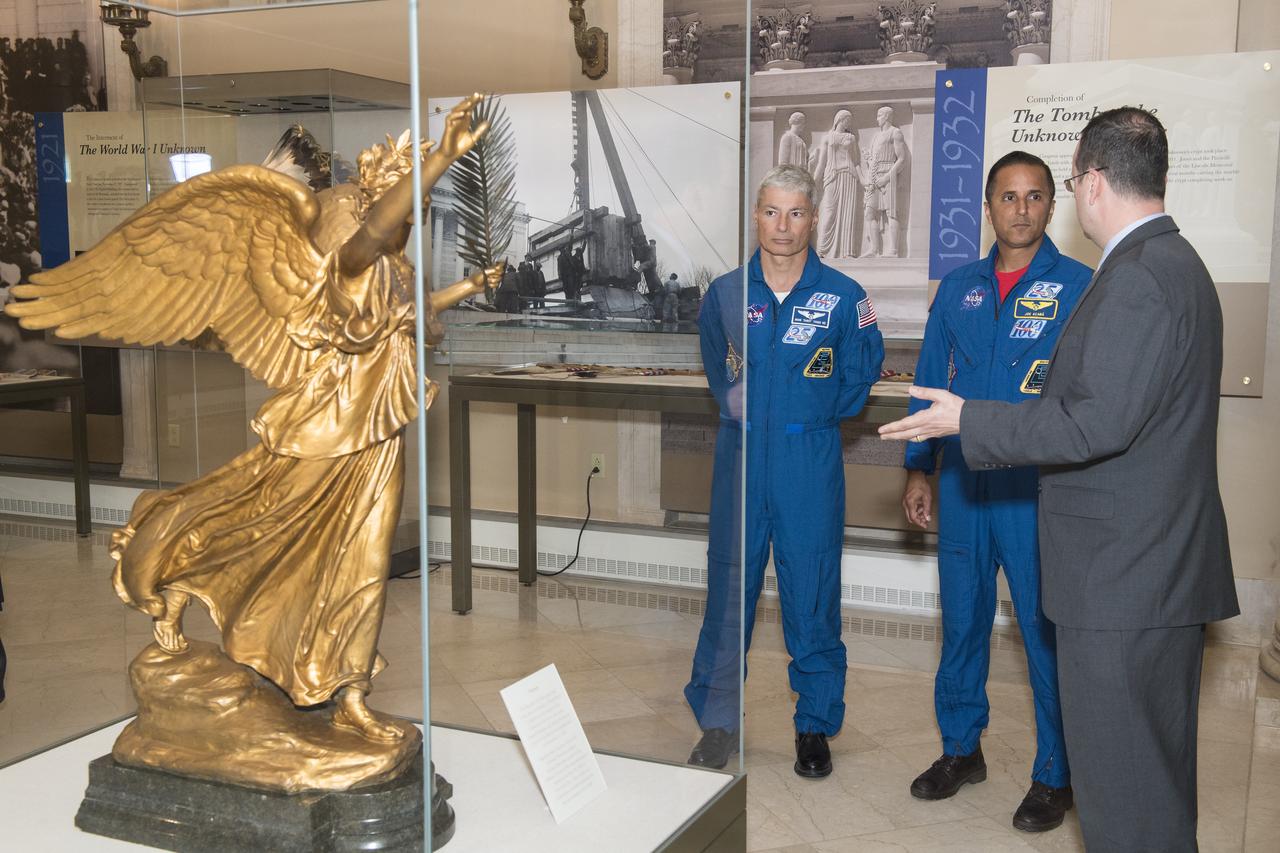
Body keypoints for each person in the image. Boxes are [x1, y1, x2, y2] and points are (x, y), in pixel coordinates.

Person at [10, 96, 501, 745]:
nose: (413, 217)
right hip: (328, 430)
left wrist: (469, 287)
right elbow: (371, 238)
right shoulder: (350, 256)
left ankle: (349, 692)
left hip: (378, 433)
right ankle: (175, 567)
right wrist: (441, 155)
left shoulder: (394, 269)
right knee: (259, 521)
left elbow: (409, 315)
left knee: (365, 556)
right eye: (408, 204)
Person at [879, 107, 1239, 851]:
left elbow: (1092, 422)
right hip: (1136, 560)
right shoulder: (1175, 266)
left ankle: (1052, 768)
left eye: (1063, 184)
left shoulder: (1125, 280)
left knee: (1125, 793)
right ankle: (961, 744)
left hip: (1121, 572)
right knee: (1148, 783)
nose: (1048, 202)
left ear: (1093, 183)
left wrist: (969, 422)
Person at [902, 151, 1092, 832]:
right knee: (963, 621)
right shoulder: (958, 289)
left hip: (1036, 484)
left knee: (1044, 628)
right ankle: (961, 747)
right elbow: (929, 380)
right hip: (962, 481)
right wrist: (919, 468)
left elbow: (1089, 398)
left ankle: (1055, 770)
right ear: (989, 207)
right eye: (1007, 197)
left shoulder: (1079, 285)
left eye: (1034, 196)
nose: (1020, 209)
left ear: (1050, 206)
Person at [685, 164, 884, 777]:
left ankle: (815, 726)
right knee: (728, 592)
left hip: (809, 463)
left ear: (815, 217)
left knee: (813, 593)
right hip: (741, 459)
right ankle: (718, 723)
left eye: (796, 212)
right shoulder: (723, 294)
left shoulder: (846, 298)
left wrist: (812, 415)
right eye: (771, 211)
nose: (782, 225)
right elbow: (721, 377)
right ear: (755, 215)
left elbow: (860, 376)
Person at [808, 109, 860, 259]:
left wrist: (863, 179)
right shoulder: (828, 138)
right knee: (829, 212)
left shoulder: (851, 138)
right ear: (839, 120)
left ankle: (847, 251)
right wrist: (812, 182)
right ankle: (822, 250)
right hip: (832, 176)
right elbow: (822, 163)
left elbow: (856, 162)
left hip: (849, 176)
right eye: (847, 120)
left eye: (850, 121)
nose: (848, 123)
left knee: (848, 213)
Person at [861, 106, 907, 257]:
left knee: (891, 213)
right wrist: (868, 158)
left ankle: (893, 250)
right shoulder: (875, 136)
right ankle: (874, 249)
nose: (877, 118)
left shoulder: (895, 133)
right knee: (869, 212)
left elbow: (901, 159)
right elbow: (875, 160)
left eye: (879, 115)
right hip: (874, 176)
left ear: (887, 116)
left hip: (888, 175)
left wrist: (887, 177)